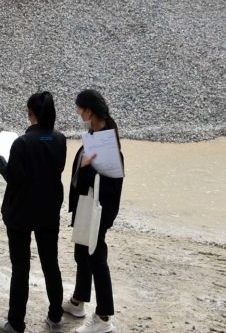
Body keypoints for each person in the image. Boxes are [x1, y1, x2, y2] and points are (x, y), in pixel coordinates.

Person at [0, 92, 68, 333]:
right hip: (48, 210)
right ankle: (55, 315)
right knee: (51, 264)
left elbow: (14, 178)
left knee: (21, 269)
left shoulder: (22, 143)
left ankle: (16, 323)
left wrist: (0, 162)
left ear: (31, 113)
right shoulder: (60, 139)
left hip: (21, 212)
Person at [62, 90, 125, 333]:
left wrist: (86, 168)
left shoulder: (106, 145)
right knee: (82, 253)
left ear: (89, 112)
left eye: (80, 110)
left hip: (98, 213)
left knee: (97, 260)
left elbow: (107, 188)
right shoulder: (96, 137)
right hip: (86, 209)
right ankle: (78, 301)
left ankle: (103, 318)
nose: (78, 114)